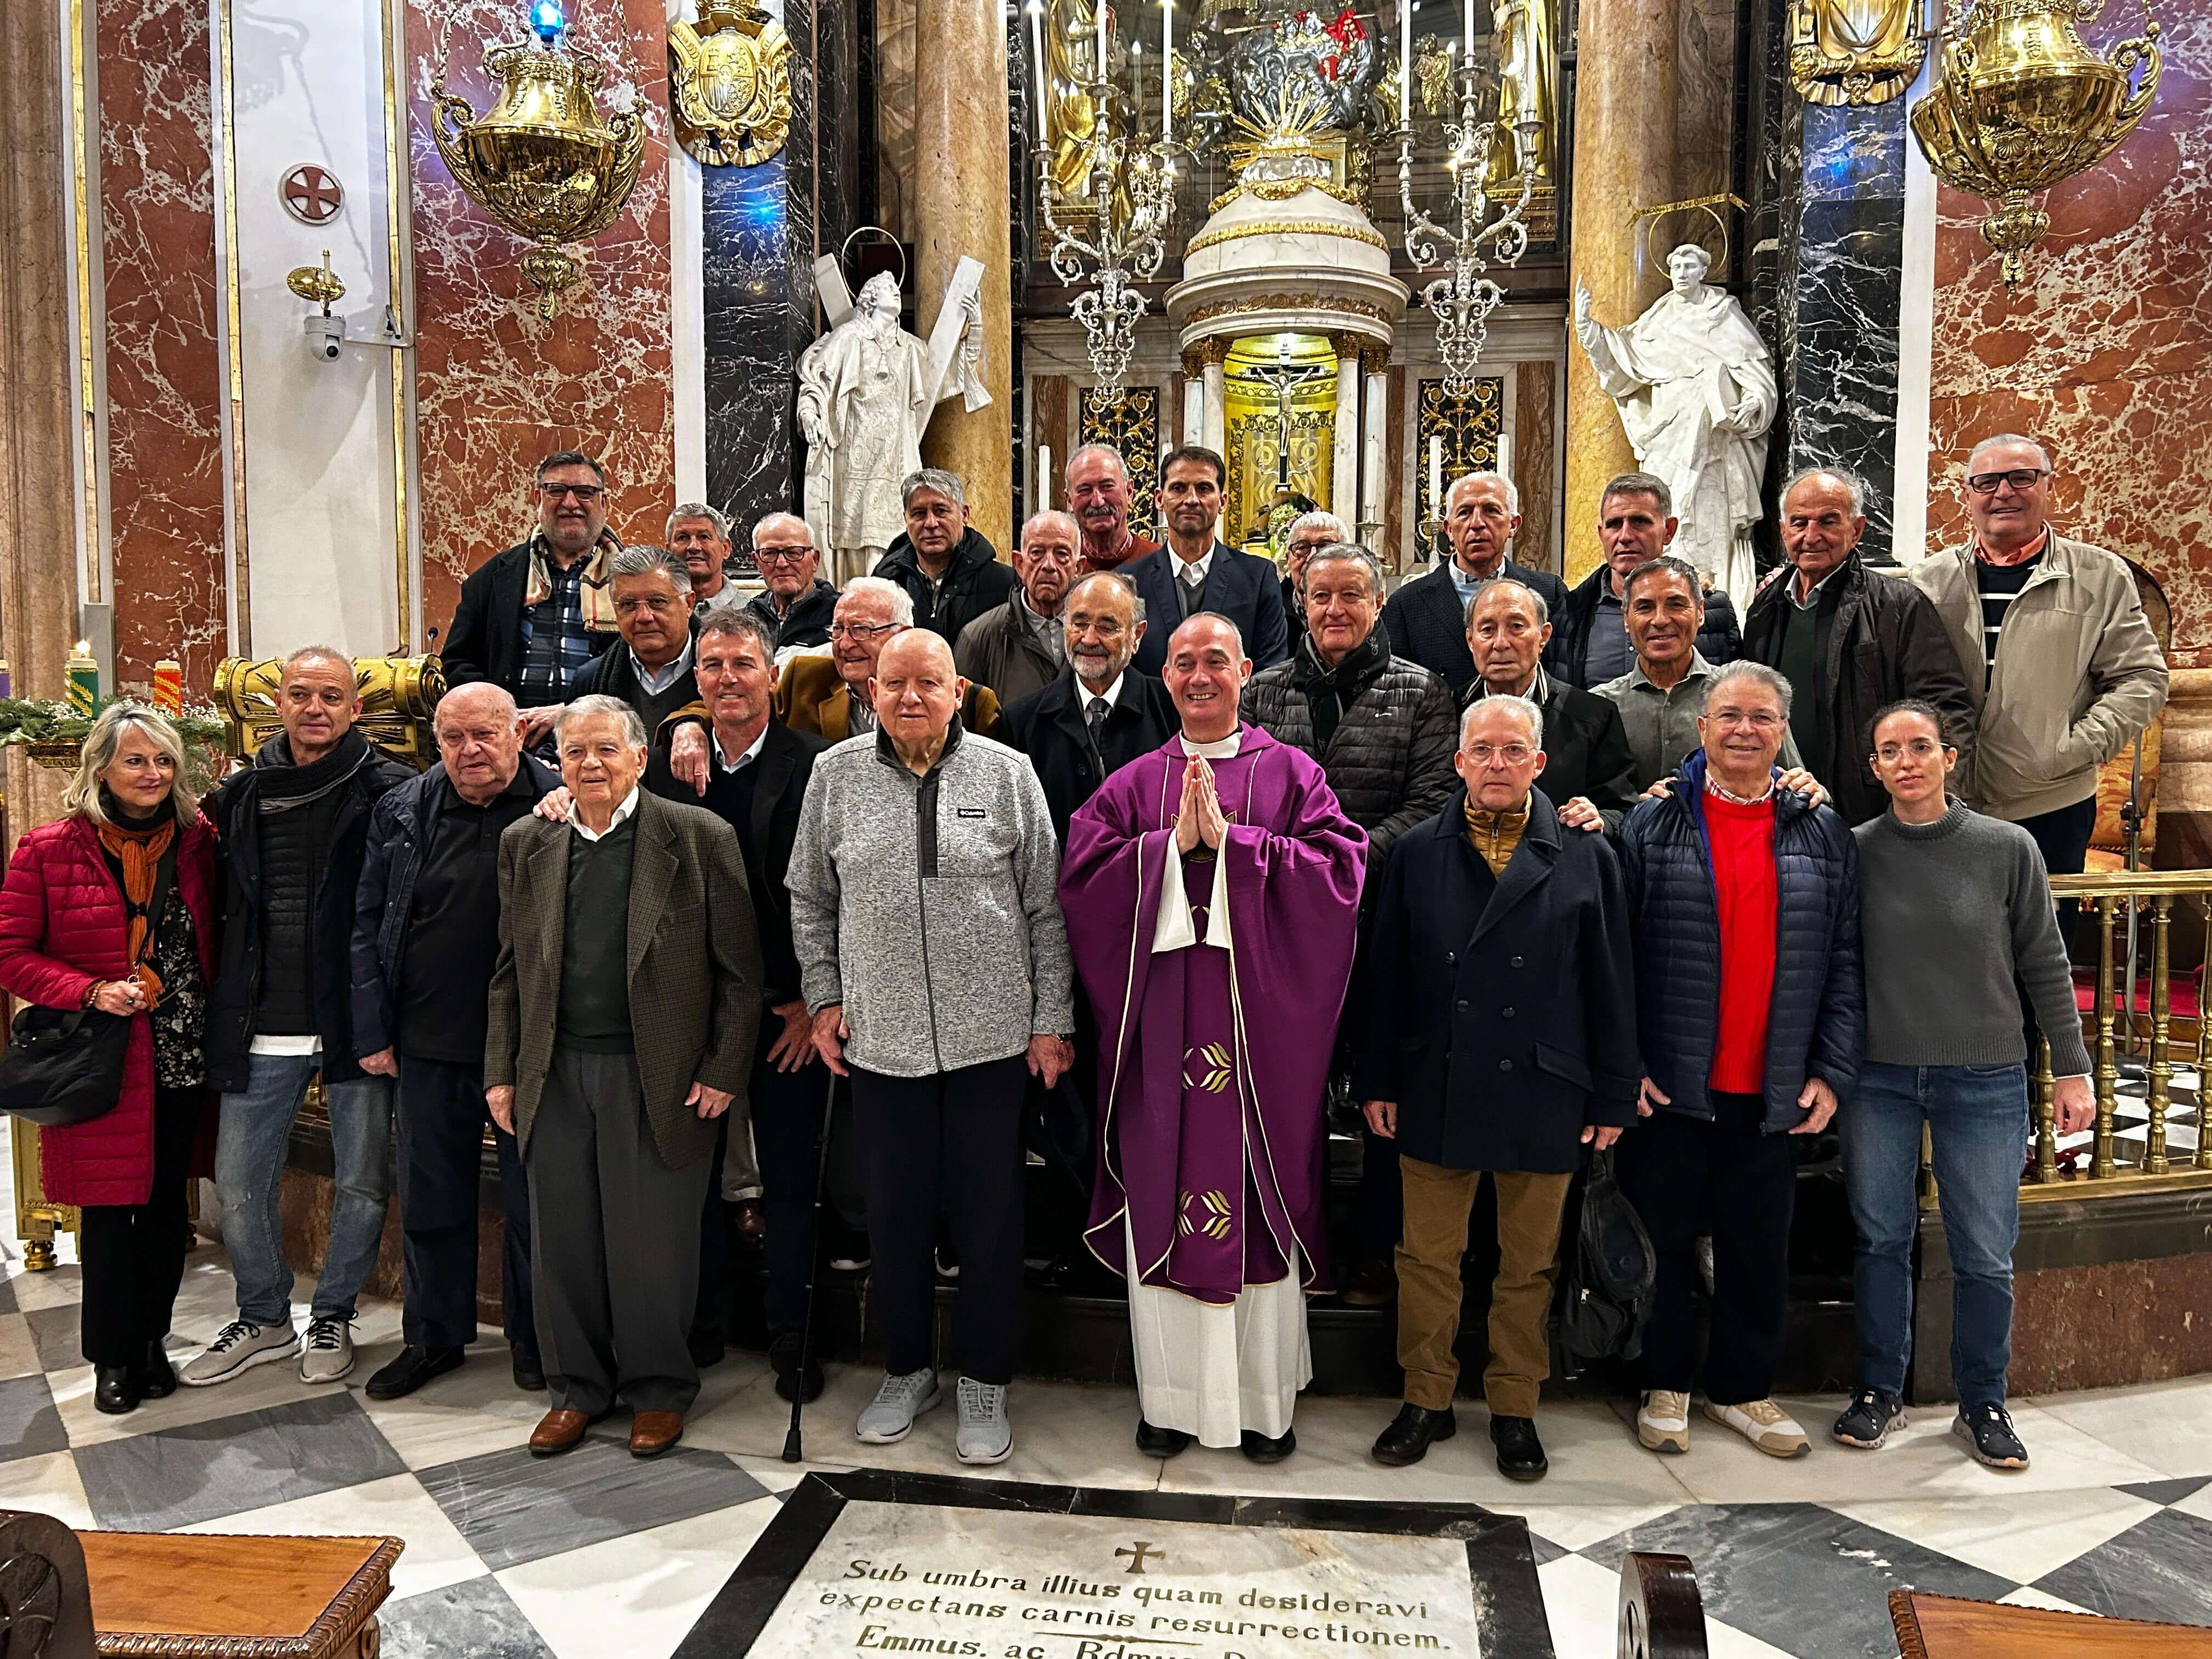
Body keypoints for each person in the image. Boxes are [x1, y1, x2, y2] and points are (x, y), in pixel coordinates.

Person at [1061, 613, 1365, 1463]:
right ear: (1163, 676)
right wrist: (1166, 851)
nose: (1200, 677)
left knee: (1258, 1208)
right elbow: (1080, 878)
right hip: (1161, 1040)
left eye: (1217, 663)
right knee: (1162, 1193)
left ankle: (1264, 1409)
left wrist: (1235, 849)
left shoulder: (1293, 773)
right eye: (1185, 663)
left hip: (1260, 1048)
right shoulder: (1133, 784)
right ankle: (1170, 1402)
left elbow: (1341, 873)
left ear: (1246, 672)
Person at [788, 630, 1074, 1465]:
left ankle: (985, 1379)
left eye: (929, 682)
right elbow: (810, 899)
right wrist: (824, 998)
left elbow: (1046, 906)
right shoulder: (835, 776)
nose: (911, 697)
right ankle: (908, 1368)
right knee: (896, 1217)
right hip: (883, 1041)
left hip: (993, 1040)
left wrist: (1051, 1019)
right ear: (871, 692)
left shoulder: (1007, 773)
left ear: (958, 692)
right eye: (895, 683)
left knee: (991, 1219)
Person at [1356, 696, 1637, 1479]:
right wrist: (1377, 1077)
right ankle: (1426, 1397)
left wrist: (1615, 1094)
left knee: (1529, 1264)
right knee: (1426, 1257)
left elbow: (1612, 985)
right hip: (1436, 1078)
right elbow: (1385, 978)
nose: (1497, 765)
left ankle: (1516, 1405)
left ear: (1539, 763)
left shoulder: (1586, 854)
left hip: (1547, 1083)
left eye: (1514, 751)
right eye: (1481, 750)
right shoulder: (1417, 851)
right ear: (1459, 762)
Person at [487, 696, 761, 1460]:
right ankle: (576, 1389)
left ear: (641, 758)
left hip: (659, 1076)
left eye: (607, 749)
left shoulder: (698, 837)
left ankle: (658, 1389)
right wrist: (501, 1074)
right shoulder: (527, 843)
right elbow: (508, 972)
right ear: (558, 764)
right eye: (575, 752)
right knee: (563, 1243)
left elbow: (741, 975)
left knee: (653, 1247)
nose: (591, 765)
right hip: (554, 1071)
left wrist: (724, 1069)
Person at [1834, 700, 2095, 1469]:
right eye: (1890, 751)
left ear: (1949, 758)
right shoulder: (1856, 851)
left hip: (1984, 1075)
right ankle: (1879, 1391)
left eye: (1920, 746)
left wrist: (2073, 1066)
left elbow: (2044, 960)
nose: (1906, 761)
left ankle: (1983, 1400)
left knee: (1984, 1250)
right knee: (1881, 1240)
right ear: (1875, 768)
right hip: (1879, 1075)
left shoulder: (2006, 847)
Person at [1615, 662, 1861, 1460]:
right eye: (1729, 716)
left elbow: (1845, 959)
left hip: (1772, 1081)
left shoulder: (1822, 830)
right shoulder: (1653, 823)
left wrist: (1831, 1069)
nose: (1744, 730)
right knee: (1664, 1239)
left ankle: (1742, 1389)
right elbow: (1620, 957)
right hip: (1673, 1079)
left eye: (1761, 717)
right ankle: (1665, 1383)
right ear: (1702, 728)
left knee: (1757, 1248)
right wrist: (1630, 1062)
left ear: (1783, 731)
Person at [186, 646, 410, 1387]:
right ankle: (264, 1316)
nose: (315, 708)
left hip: (356, 1022)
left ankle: (334, 1314)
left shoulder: (391, 790)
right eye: (301, 694)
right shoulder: (238, 795)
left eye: (331, 696)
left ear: (356, 708)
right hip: (262, 1017)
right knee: (238, 1183)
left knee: (361, 1182)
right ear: (278, 703)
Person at [1240, 542, 1457, 1309]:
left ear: (1378, 602)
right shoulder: (1261, 693)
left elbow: (1433, 800)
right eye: (1321, 596)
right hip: (1284, 926)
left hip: (1382, 921)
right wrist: (1302, 873)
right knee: (1284, 1089)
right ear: (1301, 603)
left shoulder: (1422, 692)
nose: (1335, 609)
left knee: (1380, 1092)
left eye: (1351, 596)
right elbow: (1244, 796)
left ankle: (1374, 1251)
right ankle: (1282, 1237)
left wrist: (1342, 861)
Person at [0, 706, 219, 1415]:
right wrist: (91, 991)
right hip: (103, 1058)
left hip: (180, 1053)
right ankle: (110, 1358)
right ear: (100, 768)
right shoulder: (49, 850)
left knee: (163, 1210)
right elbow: (12, 955)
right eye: (135, 760)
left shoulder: (197, 842)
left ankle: (152, 1340)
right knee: (106, 1214)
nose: (152, 774)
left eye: (163, 761)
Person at [642, 606, 831, 1401]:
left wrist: (814, 1002)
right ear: (697, 680)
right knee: (690, 1177)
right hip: (695, 1012)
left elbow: (838, 892)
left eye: (743, 664)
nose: (728, 678)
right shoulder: (663, 769)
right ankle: (701, 1323)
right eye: (714, 665)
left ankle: (795, 1333)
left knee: (790, 1180)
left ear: (772, 675)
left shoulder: (817, 764)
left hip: (786, 1012)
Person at [351, 682, 560, 1402]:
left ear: (518, 733)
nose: (470, 751)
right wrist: (374, 1028)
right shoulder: (403, 809)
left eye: (485, 734)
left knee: (536, 1204)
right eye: (453, 738)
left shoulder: (560, 802)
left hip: (532, 1046)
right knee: (431, 1196)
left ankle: (537, 1342)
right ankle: (433, 1338)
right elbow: (368, 921)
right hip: (429, 1038)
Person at [1909, 433, 2168, 879]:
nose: (2003, 492)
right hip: (1950, 800)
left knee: (2046, 925)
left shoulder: (2100, 576)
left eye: (2021, 478)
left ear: (2049, 485)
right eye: (1987, 482)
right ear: (1967, 495)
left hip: (2052, 803)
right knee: (1956, 924)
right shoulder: (1928, 580)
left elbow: (2142, 677)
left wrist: (2073, 750)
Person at [1742, 469, 1977, 826]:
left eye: (1828, 521)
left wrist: (1936, 805)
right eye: (1799, 523)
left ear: (1857, 529)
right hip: (1783, 806)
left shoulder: (1898, 606)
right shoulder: (1765, 608)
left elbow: (1945, 710)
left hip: (1873, 812)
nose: (1811, 536)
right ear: (1783, 530)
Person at [444, 451, 626, 747]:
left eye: (585, 492)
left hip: (601, 739)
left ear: (604, 503)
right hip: (510, 743)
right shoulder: (492, 578)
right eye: (557, 491)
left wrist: (572, 711)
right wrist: (500, 712)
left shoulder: (634, 580)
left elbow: (648, 668)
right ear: (538, 499)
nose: (570, 503)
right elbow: (458, 662)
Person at [997, 571, 1177, 848]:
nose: (1089, 639)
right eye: (1079, 624)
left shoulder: (1172, 710)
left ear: (1137, 636)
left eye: (1107, 627)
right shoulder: (1020, 722)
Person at [1594, 556, 1803, 791]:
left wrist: (1813, 792)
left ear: (1700, 612)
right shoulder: (1599, 707)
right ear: (1626, 619)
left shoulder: (1749, 697)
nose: (1660, 620)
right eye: (1645, 607)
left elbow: (1796, 785)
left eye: (1676, 605)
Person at [1465, 578, 1638, 830]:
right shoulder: (1446, 712)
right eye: (1487, 630)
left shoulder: (1594, 716)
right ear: (1471, 641)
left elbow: (1623, 810)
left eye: (1516, 627)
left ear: (1544, 636)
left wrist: (1600, 819)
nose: (1501, 643)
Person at [1383, 472, 1567, 701]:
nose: (1477, 523)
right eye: (1464, 513)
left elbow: (1563, 680)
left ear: (1513, 524)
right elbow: (1398, 692)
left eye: (1491, 510)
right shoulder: (1406, 604)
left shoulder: (1549, 591)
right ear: (1449, 529)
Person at [1547, 472, 1739, 689]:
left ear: (1669, 530)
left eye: (1639, 522)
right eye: (1614, 524)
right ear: (1602, 534)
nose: (1625, 536)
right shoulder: (1565, 614)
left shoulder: (1714, 610)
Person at [1127, 448, 1290, 675]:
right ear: (1159, 499)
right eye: (1178, 488)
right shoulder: (1130, 583)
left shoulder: (1258, 578)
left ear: (1222, 502)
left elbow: (1270, 672)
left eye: (1204, 489)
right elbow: (1123, 672)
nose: (1191, 500)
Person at [567, 547, 701, 734]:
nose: (644, 617)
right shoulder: (590, 681)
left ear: (689, 604)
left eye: (657, 602)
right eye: (628, 604)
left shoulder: (728, 671)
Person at [876, 469, 1018, 644]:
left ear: (964, 515)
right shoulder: (885, 582)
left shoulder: (1005, 584)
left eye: (941, 511)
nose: (931, 523)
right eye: (919, 513)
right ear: (906, 519)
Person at [956, 509, 1078, 704]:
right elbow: (963, 716)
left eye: (1061, 554)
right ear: (1019, 564)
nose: (1049, 565)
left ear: (1079, 568)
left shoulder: (1097, 633)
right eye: (1037, 553)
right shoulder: (979, 638)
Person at [745, 512, 837, 650]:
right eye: (770, 553)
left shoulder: (841, 619)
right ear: (757, 562)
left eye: (793, 552)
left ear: (815, 560)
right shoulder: (745, 621)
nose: (782, 564)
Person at [1065, 442, 1160, 572]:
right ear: (1070, 500)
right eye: (1085, 490)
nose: (1098, 502)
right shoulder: (1064, 566)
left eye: (1107, 487)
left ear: (1129, 492)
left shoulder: (1161, 563)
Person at [1280, 510, 1350, 657]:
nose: (1312, 557)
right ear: (1288, 560)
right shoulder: (1268, 611)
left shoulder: (1363, 611)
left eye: (1325, 547)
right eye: (1302, 548)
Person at [667, 503, 736, 606]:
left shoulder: (752, 611)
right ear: (668, 551)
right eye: (682, 538)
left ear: (725, 549)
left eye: (704, 537)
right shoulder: (649, 611)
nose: (693, 547)